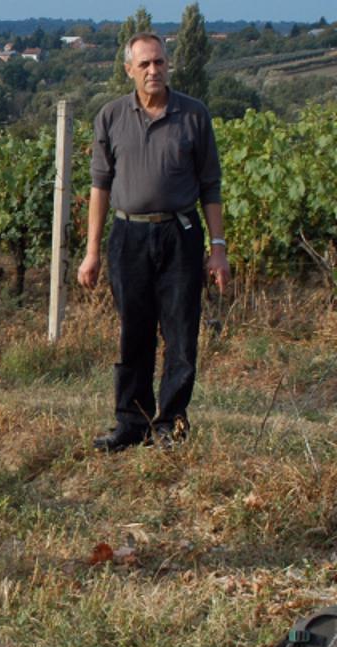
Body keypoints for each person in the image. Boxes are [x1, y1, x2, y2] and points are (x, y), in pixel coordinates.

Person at [78, 32, 229, 452]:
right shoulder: (111, 116)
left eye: (159, 62)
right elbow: (100, 186)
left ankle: (170, 424)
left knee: (181, 332)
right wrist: (92, 252)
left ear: (168, 65)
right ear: (128, 69)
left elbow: (210, 185)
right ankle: (132, 423)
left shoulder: (193, 115)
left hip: (180, 233)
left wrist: (218, 248)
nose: (153, 70)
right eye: (144, 64)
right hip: (128, 235)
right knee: (134, 331)